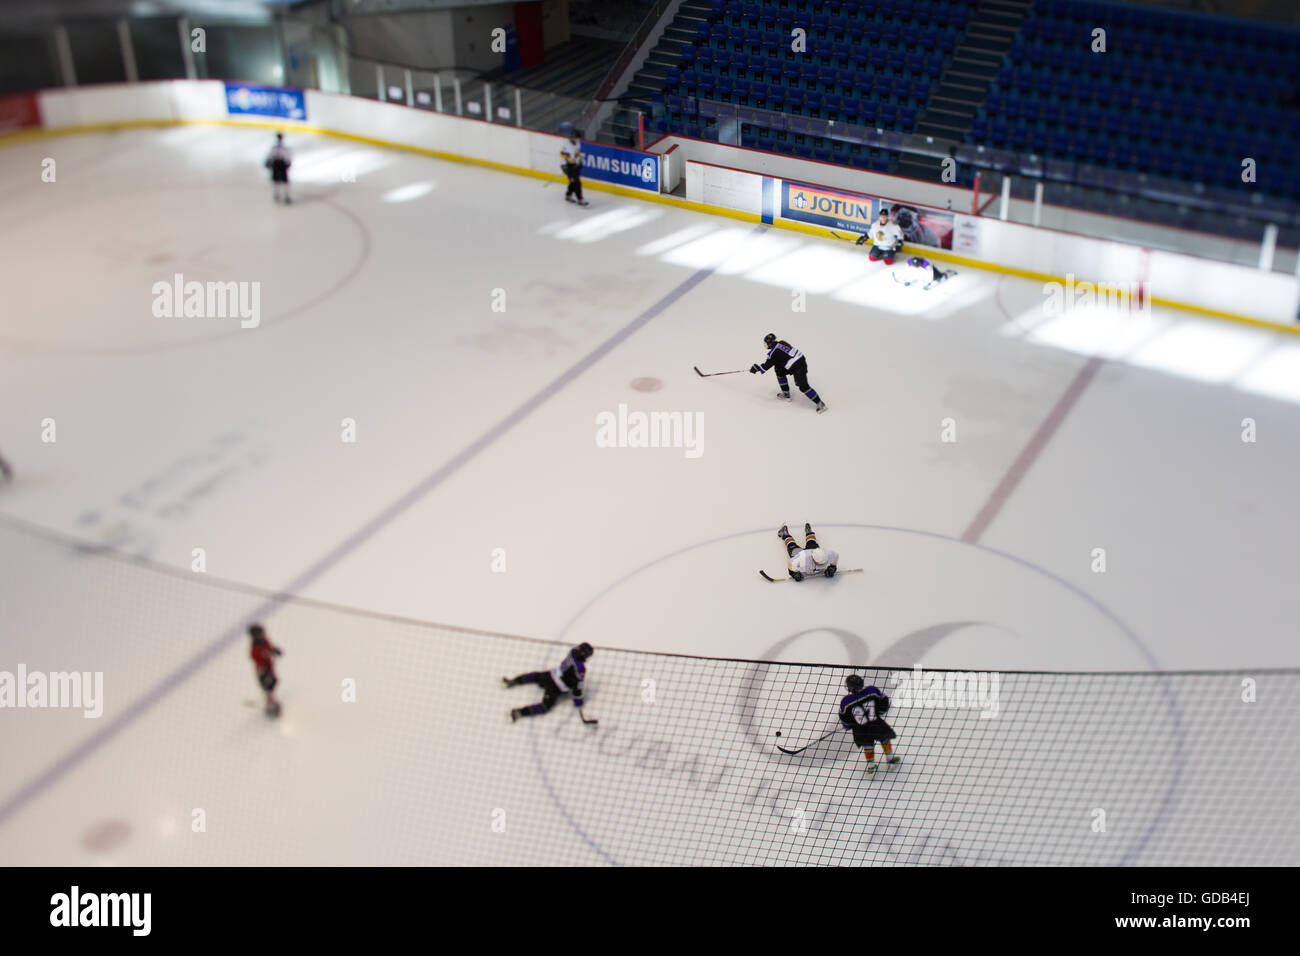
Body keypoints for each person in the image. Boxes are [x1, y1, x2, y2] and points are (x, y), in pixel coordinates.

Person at [503, 643, 593, 722]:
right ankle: (519, 712)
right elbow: (578, 686)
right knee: (544, 707)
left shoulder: (572, 652)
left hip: (551, 675)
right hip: (556, 687)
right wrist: (578, 701)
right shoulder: (580, 668)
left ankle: (513, 681)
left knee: (535, 676)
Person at [839, 675, 901, 772]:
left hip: (860, 729)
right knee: (884, 738)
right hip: (876, 724)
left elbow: (845, 719)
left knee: (867, 745)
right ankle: (890, 760)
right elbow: (884, 701)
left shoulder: (846, 701)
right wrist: (878, 712)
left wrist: (849, 725)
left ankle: (871, 767)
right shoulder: (871, 691)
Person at [751, 333, 827, 413]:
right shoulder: (781, 343)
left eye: (765, 343)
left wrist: (756, 368)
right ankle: (786, 393)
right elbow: (781, 358)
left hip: (798, 366)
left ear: (769, 343)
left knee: (803, 387)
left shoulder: (774, 353)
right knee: (779, 370)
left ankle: (821, 404)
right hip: (798, 361)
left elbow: (766, 366)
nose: (765, 345)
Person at [248, 624, 283, 717]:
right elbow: (256, 657)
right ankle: (270, 705)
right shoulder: (254, 648)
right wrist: (266, 654)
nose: (262, 635)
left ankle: (271, 701)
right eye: (260, 633)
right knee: (267, 685)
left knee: (274, 681)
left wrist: (275, 650)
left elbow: (270, 648)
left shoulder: (264, 641)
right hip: (262, 671)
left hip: (269, 668)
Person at [559, 128, 588, 207]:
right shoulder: (566, 144)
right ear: (572, 137)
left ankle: (568, 195)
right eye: (576, 138)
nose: (578, 140)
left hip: (574, 165)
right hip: (567, 166)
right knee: (576, 182)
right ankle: (580, 199)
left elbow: (577, 154)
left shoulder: (578, 143)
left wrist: (580, 161)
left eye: (578, 139)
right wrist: (565, 164)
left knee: (573, 181)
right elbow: (562, 155)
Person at [265, 133, 292, 204]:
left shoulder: (276, 147)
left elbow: (270, 155)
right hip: (279, 164)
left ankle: (282, 195)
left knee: (280, 181)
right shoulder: (281, 148)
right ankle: (281, 195)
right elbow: (287, 156)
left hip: (278, 164)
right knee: (280, 181)